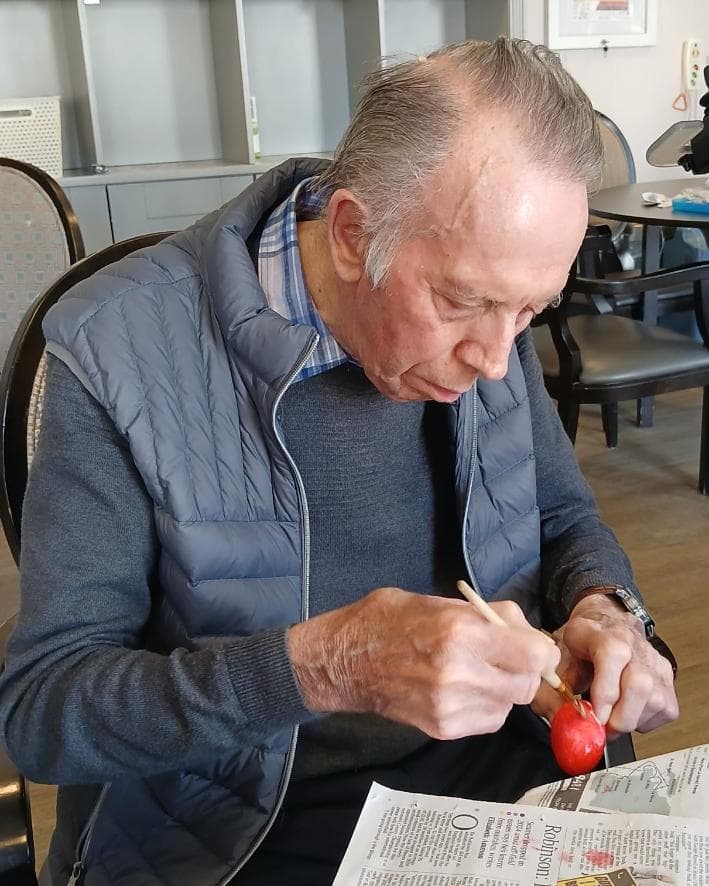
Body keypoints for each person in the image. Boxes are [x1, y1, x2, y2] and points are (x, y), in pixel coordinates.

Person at [0, 38, 678, 886]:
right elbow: (45, 710)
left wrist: (607, 608)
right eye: (462, 302)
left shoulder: (483, 328)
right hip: (248, 827)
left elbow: (562, 517)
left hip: (507, 793)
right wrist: (320, 667)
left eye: (531, 310)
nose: (498, 362)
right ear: (353, 234)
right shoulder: (119, 349)